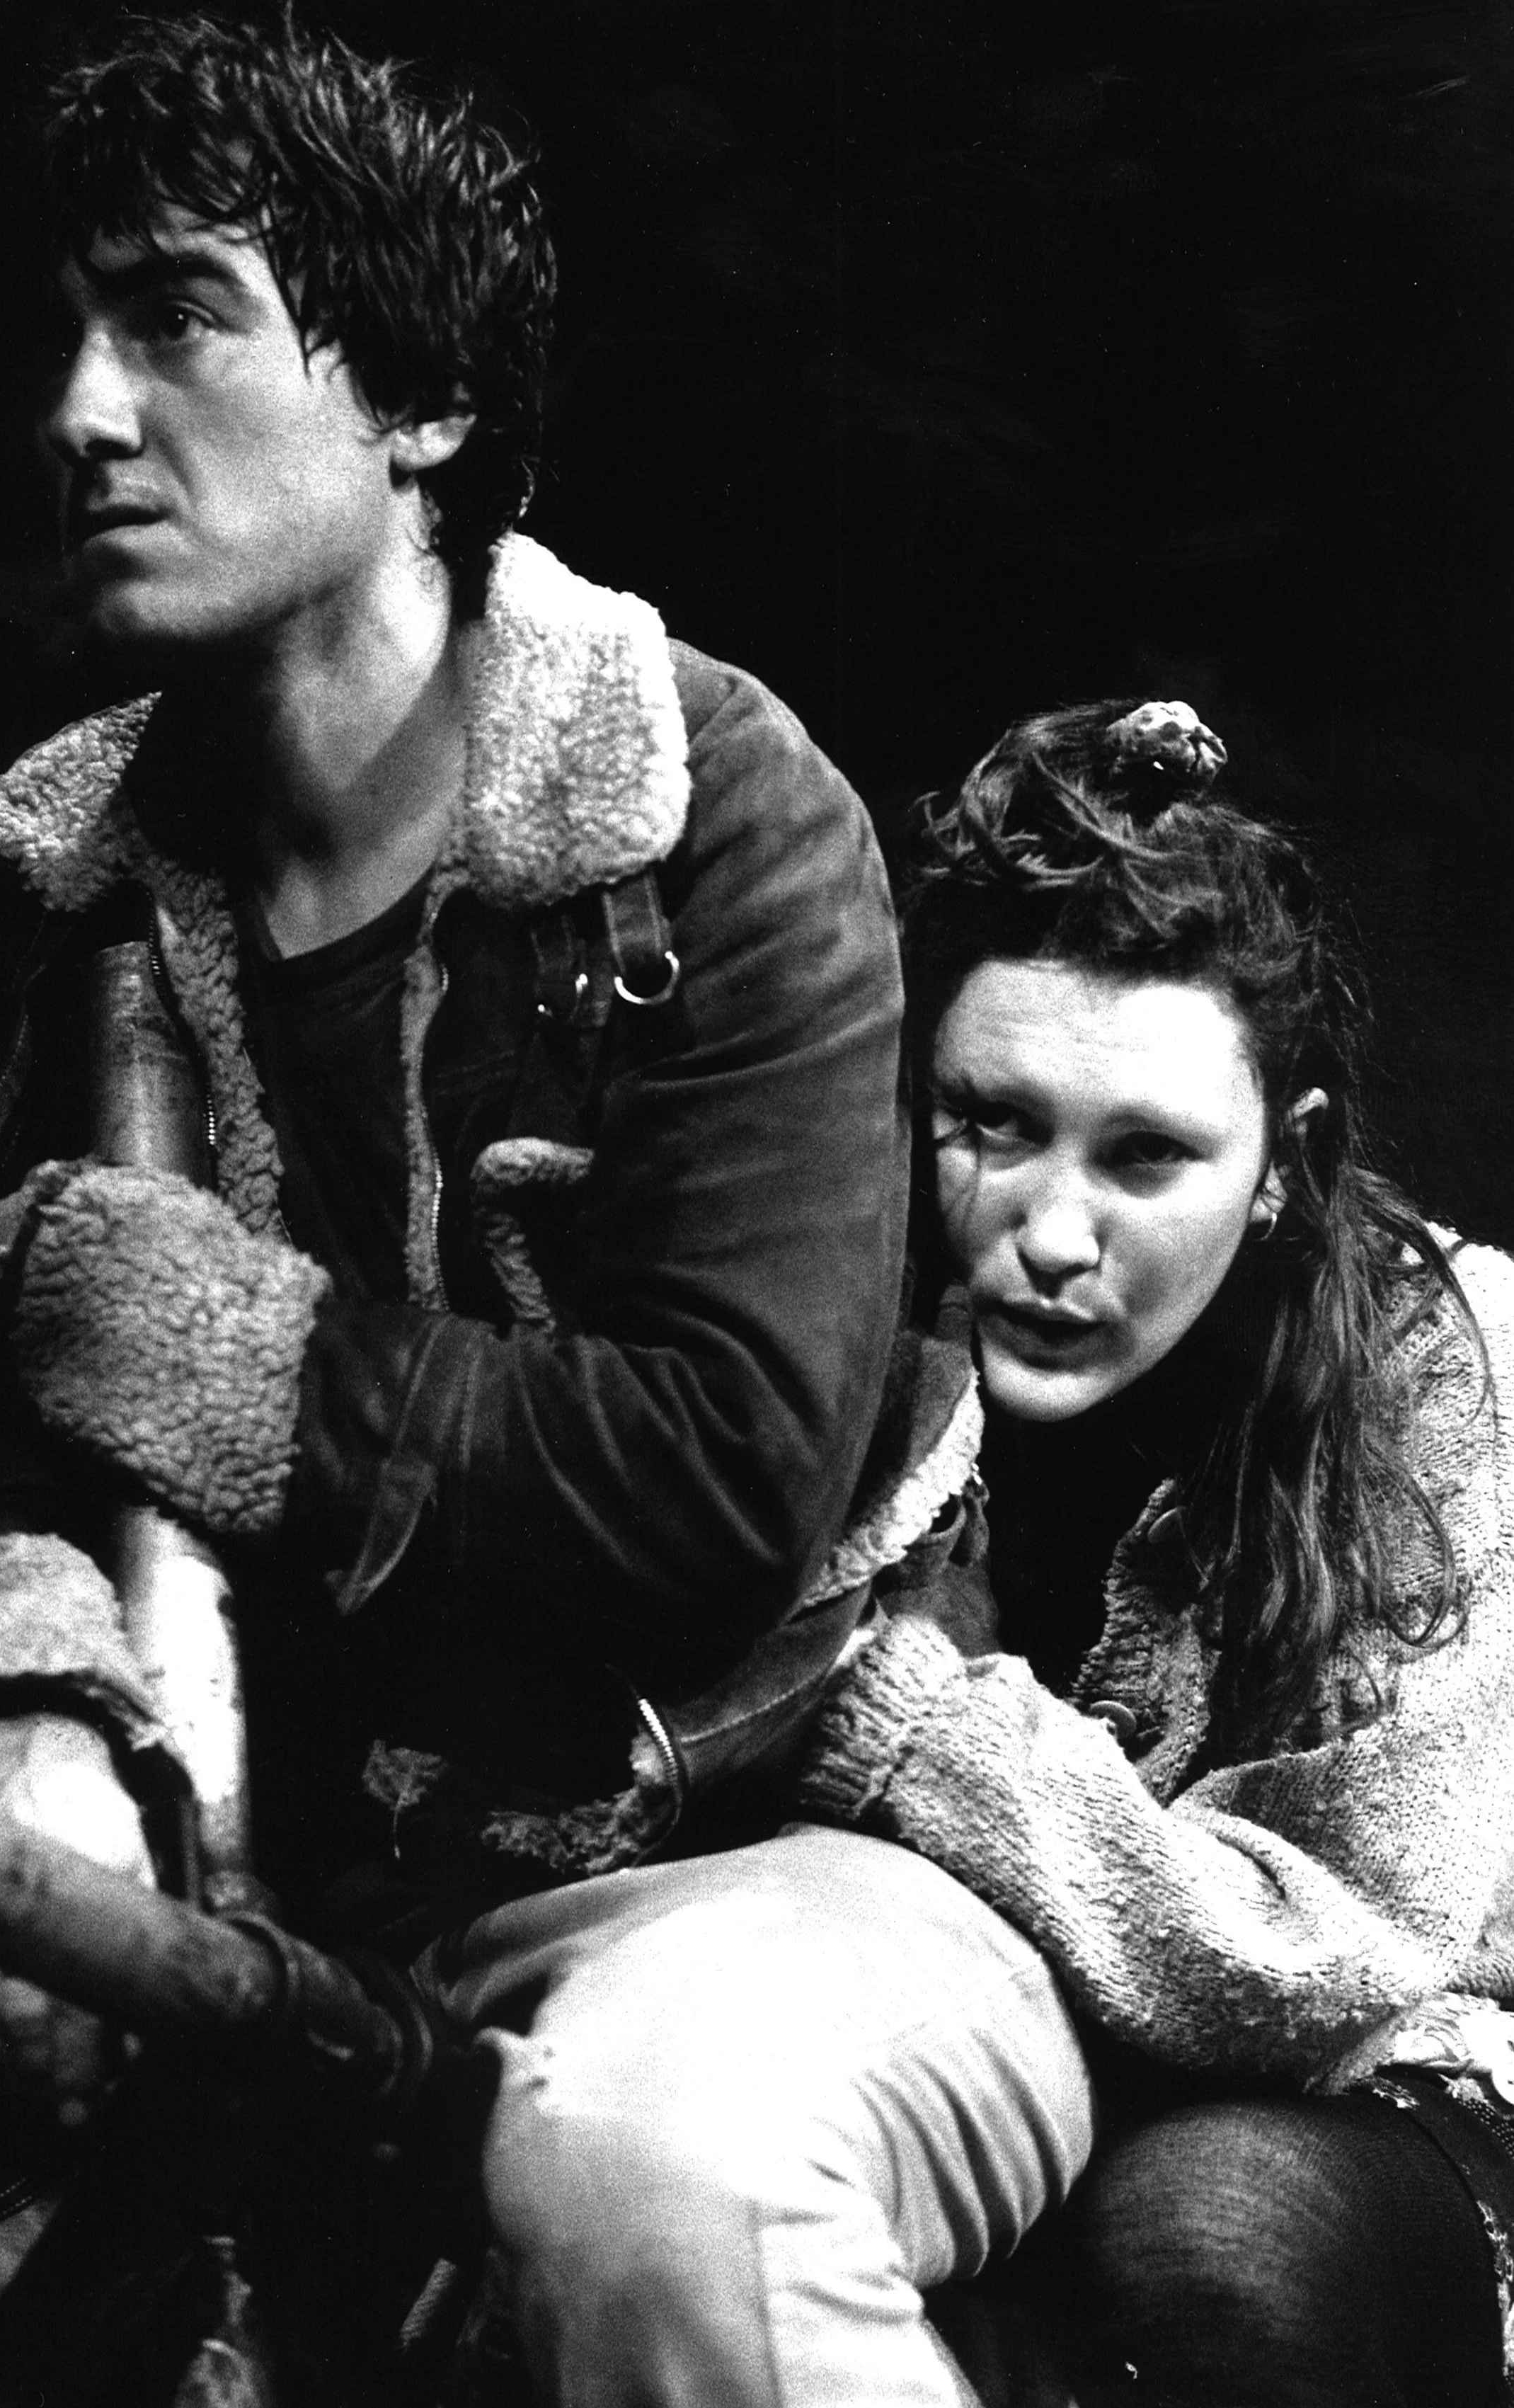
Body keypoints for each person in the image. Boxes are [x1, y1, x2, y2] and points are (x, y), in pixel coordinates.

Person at [0, 9, 913, 2383]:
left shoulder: (706, 816)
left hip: (707, 1860)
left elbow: (727, 1468)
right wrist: (34, 1707)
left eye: (178, 318)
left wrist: (220, 1350)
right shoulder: (58, 884)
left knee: (658, 2197)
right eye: (66, 329)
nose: (80, 415)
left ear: (422, 400)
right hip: (249, 1891)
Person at [787, 697, 1514, 2404]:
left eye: (1146, 1158)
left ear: (1285, 1164)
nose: (1047, 1233)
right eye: (988, 1122)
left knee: (1215, 2231)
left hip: (1393, 2092)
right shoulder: (844, 1308)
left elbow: (1338, 1961)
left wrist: (897, 1719)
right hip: (999, 2031)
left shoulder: (1445, 1369)